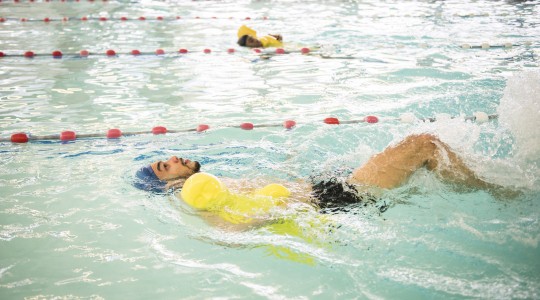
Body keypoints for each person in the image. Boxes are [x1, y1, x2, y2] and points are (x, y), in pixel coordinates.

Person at [134, 134, 506, 206]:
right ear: (163, 182)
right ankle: (501, 191)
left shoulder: (200, 183)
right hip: (330, 198)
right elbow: (228, 226)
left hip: (324, 190)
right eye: (163, 166)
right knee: (423, 145)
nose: (173, 158)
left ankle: (476, 186)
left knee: (421, 154)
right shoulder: (186, 191)